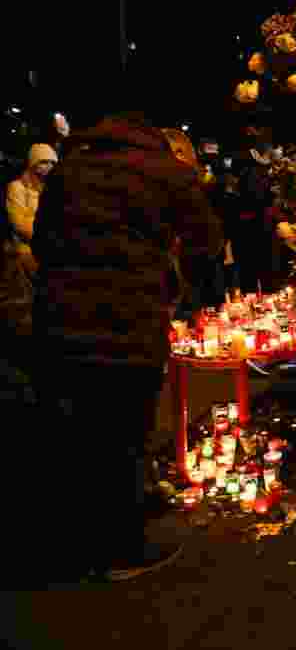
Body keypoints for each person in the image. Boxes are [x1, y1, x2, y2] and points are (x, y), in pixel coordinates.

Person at [30, 112, 224, 585]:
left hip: (60, 316)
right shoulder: (167, 172)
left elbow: (40, 241)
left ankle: (74, 544)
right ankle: (122, 550)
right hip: (128, 317)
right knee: (126, 428)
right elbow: (207, 243)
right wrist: (180, 285)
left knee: (77, 430)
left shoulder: (69, 170)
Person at [6, 143, 58, 280]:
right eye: (44, 162)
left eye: (52, 163)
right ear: (32, 163)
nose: (49, 166)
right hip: (28, 245)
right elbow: (18, 224)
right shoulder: (17, 187)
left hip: (52, 243)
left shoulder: (55, 188)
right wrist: (46, 236)